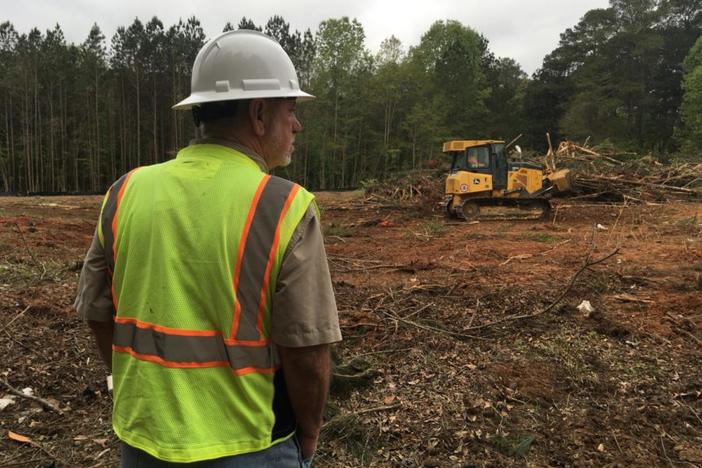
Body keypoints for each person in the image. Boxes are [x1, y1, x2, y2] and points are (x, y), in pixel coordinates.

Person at [74, 30, 341, 467]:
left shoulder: (125, 192)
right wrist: (309, 432)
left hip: (142, 440)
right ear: (258, 113)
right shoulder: (285, 205)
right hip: (250, 444)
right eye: (290, 111)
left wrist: (143, 390)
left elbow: (99, 312)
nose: (297, 125)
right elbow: (307, 351)